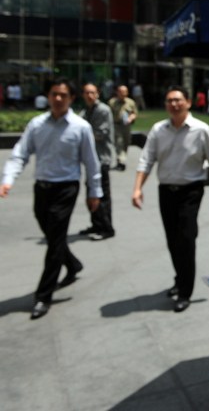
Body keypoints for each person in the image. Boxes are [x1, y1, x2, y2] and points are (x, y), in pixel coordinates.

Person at [1, 77, 102, 320]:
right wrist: (8, 180)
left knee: (54, 240)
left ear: (71, 98)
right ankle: (73, 264)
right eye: (54, 94)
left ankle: (43, 296)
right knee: (52, 235)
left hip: (66, 189)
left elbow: (91, 162)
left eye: (63, 95)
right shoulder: (37, 125)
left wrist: (94, 192)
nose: (58, 99)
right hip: (42, 188)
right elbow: (20, 154)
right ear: (48, 96)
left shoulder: (80, 127)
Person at [131, 86, 209, 313]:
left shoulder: (201, 130)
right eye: (169, 101)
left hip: (191, 191)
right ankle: (180, 279)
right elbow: (146, 161)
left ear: (188, 102)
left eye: (178, 100)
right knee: (172, 240)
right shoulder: (158, 130)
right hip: (166, 191)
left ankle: (185, 292)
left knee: (186, 239)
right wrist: (137, 189)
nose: (174, 104)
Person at [79, 83, 115, 240]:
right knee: (91, 192)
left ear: (98, 94)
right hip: (90, 160)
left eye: (92, 92)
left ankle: (107, 228)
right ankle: (96, 224)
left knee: (102, 195)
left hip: (101, 159)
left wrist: (79, 137)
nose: (89, 95)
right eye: (86, 92)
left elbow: (99, 133)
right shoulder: (86, 110)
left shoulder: (102, 110)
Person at [108, 85, 138, 171]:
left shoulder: (131, 102)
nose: (123, 93)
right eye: (121, 92)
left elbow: (134, 113)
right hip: (116, 125)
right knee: (119, 143)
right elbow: (108, 114)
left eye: (125, 92)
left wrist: (131, 117)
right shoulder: (112, 102)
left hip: (126, 126)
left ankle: (121, 160)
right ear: (117, 92)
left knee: (126, 143)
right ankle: (121, 161)